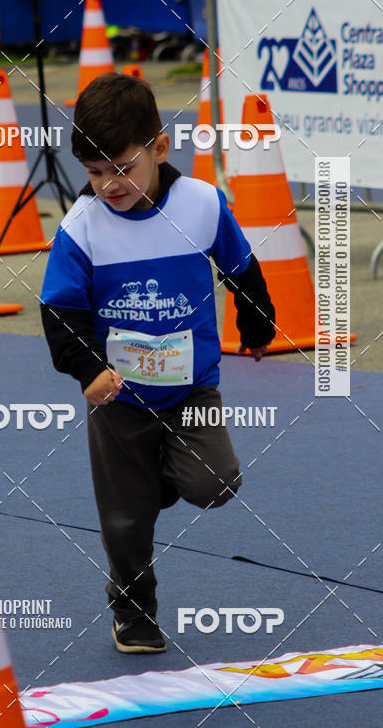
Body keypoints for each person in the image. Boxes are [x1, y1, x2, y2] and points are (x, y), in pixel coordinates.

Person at [40, 73, 275, 653]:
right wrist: (88, 370)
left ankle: (155, 480)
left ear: (160, 148)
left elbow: (241, 268)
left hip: (192, 389)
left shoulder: (201, 204)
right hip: (118, 396)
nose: (109, 185)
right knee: (125, 519)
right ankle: (133, 611)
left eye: (122, 168)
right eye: (94, 172)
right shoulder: (81, 227)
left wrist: (256, 325)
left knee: (216, 481)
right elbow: (60, 310)